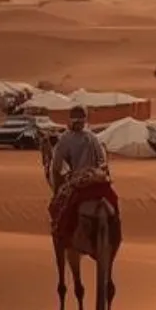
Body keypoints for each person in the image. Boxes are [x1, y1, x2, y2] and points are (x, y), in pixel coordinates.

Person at [46, 104, 115, 243]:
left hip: (78, 180)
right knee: (113, 201)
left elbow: (57, 166)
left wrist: (58, 188)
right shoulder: (93, 137)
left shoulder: (65, 139)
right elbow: (103, 162)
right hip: (97, 178)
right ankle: (114, 237)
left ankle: (60, 235)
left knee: (60, 208)